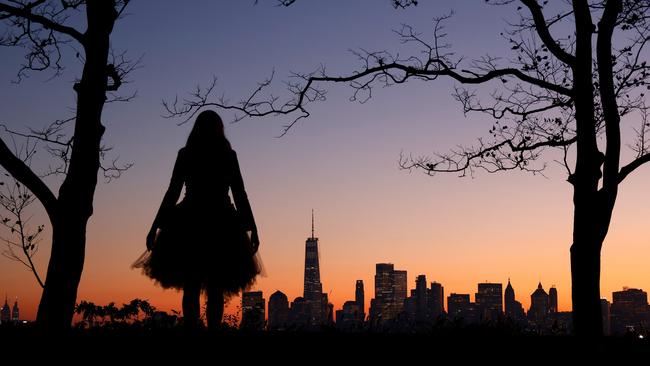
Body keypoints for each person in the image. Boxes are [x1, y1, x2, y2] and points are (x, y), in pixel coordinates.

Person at [134, 110, 261, 329]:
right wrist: (252, 227)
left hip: (190, 221)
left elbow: (172, 192)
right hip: (221, 223)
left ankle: (193, 330)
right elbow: (240, 193)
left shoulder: (187, 154)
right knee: (215, 286)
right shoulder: (227, 155)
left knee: (191, 285)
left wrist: (155, 226)